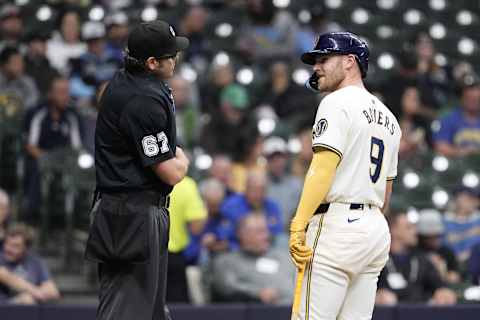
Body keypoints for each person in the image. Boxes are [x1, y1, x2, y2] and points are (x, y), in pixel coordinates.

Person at [289, 32, 401, 320]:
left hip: (337, 226)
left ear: (350, 62)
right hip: (374, 227)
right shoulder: (389, 118)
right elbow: (387, 190)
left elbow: (323, 167)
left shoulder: (336, 102)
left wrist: (299, 223)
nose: (317, 67)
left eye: (324, 59)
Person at [84, 20, 190, 320]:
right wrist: (183, 160)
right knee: (125, 313)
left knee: (151, 312)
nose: (176, 58)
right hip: (129, 216)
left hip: (133, 211)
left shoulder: (130, 82)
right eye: (170, 55)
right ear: (152, 62)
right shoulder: (140, 98)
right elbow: (171, 172)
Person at [376, 211, 457, 305]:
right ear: (393, 230)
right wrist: (377, 295)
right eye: (409, 227)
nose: (415, 232)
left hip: (420, 311)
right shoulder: (377, 259)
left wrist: (444, 293)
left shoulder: (421, 259)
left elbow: (439, 285)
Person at [211, 213, 295, 304]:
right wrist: (257, 293)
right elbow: (226, 287)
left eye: (266, 231)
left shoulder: (284, 257)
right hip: (258, 311)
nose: (266, 236)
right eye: (260, 231)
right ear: (242, 234)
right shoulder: (227, 261)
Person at [0, 223, 60, 304]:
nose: (8, 249)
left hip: (29, 311)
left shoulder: (36, 263)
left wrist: (39, 293)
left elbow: (53, 291)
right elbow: (4, 275)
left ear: (26, 248)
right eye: (7, 244)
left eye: (15, 246)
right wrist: (35, 292)